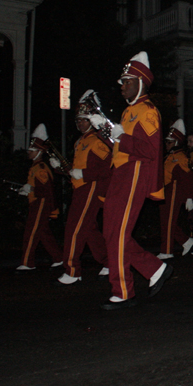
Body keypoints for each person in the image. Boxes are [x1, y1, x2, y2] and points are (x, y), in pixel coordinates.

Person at [89, 52, 172, 310]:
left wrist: (119, 136)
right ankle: (155, 268)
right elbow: (122, 146)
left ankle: (124, 290)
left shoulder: (147, 111)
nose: (122, 86)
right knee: (112, 232)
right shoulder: (129, 112)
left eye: (126, 81)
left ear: (140, 81)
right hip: (121, 173)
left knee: (118, 233)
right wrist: (104, 129)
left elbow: (151, 150)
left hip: (135, 173)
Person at [55, 91, 111, 285]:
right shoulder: (80, 141)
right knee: (88, 230)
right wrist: (61, 169)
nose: (79, 123)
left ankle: (72, 270)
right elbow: (75, 171)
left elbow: (107, 169)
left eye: (83, 120)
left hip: (91, 188)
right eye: (77, 120)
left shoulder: (97, 141)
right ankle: (109, 262)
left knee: (74, 228)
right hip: (80, 189)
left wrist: (84, 174)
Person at [16, 124, 62, 271]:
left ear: (39, 152)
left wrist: (31, 189)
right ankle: (59, 258)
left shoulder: (41, 168)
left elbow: (46, 190)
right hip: (37, 202)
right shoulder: (35, 167)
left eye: (32, 150)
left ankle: (27, 262)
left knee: (31, 231)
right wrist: (27, 190)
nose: (29, 152)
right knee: (43, 232)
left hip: (41, 203)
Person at [157, 119, 193, 260]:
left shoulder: (180, 157)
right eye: (166, 142)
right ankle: (186, 241)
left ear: (177, 142)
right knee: (166, 221)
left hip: (174, 191)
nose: (167, 145)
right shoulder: (171, 156)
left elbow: (186, 179)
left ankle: (167, 250)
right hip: (166, 190)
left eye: (169, 142)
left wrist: (189, 197)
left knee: (168, 221)